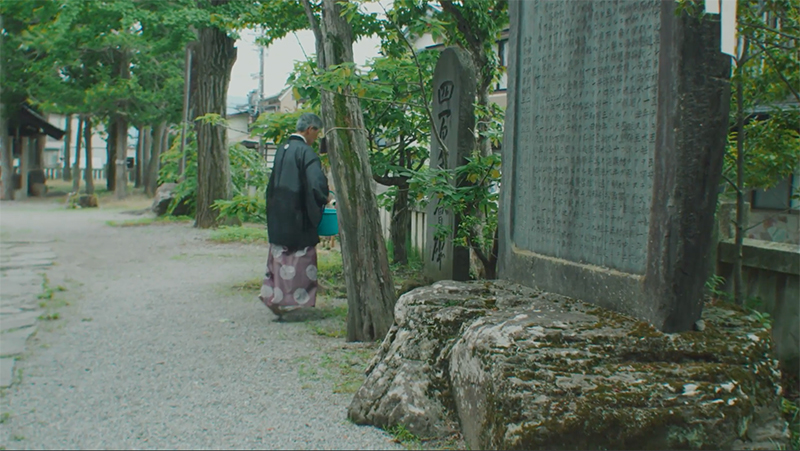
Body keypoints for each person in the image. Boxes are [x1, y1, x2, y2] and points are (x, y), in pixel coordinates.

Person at [260, 113, 329, 320]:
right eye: (317, 132)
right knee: (301, 257)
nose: (317, 137)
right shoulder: (305, 152)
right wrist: (323, 198)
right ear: (310, 129)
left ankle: (272, 295)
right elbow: (316, 183)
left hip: (278, 213)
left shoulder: (282, 149)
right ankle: (292, 300)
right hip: (298, 214)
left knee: (279, 256)